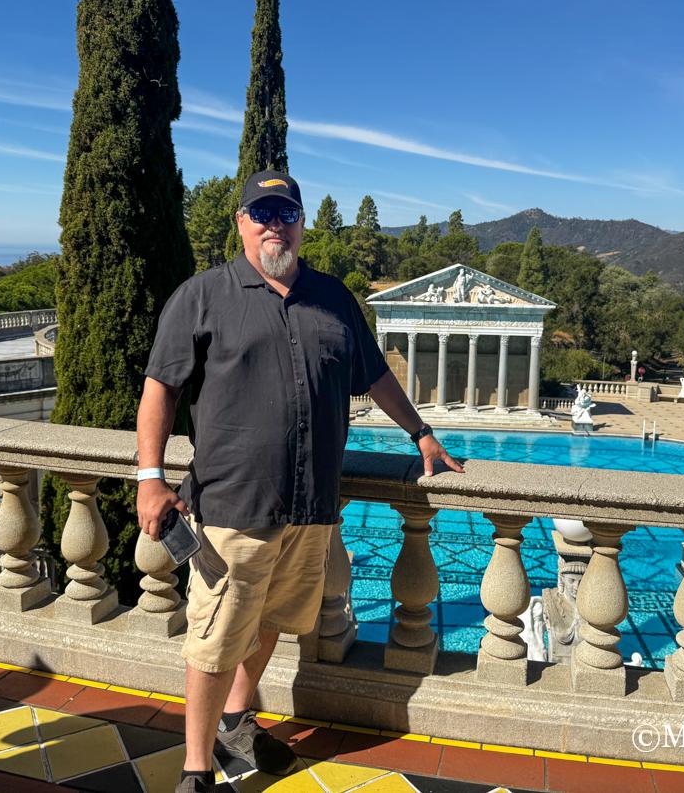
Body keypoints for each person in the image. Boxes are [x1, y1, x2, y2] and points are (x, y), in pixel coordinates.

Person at [135, 170, 463, 793]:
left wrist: (420, 433)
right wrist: (150, 478)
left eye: (286, 211)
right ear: (241, 222)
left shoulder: (334, 298)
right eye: (261, 212)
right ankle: (197, 769)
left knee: (269, 622)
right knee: (212, 642)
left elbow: (374, 375)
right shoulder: (202, 295)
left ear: (302, 222)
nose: (274, 223)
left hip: (311, 509)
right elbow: (162, 388)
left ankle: (237, 720)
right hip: (235, 506)